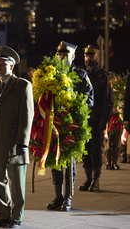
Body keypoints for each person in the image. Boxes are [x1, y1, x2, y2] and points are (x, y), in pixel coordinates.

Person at [0, 46, 34, 228]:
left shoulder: (23, 86)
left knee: (17, 184)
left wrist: (22, 143)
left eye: (3, 64)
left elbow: (27, 116)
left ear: (12, 67)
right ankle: (4, 216)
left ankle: (16, 217)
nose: (0, 67)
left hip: (14, 142)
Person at [46, 41, 94, 212]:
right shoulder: (52, 75)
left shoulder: (80, 75)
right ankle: (58, 196)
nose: (61, 57)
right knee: (55, 161)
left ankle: (68, 198)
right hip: (54, 124)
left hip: (71, 124)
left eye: (65, 55)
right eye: (59, 54)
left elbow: (89, 99)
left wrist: (73, 106)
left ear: (73, 57)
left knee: (69, 164)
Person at [77, 45, 114, 192]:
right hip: (84, 121)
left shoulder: (104, 76)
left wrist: (104, 121)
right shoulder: (82, 74)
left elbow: (108, 101)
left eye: (92, 56)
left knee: (96, 151)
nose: (88, 58)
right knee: (85, 151)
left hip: (96, 120)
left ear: (97, 57)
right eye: (86, 56)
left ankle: (96, 180)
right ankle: (88, 179)